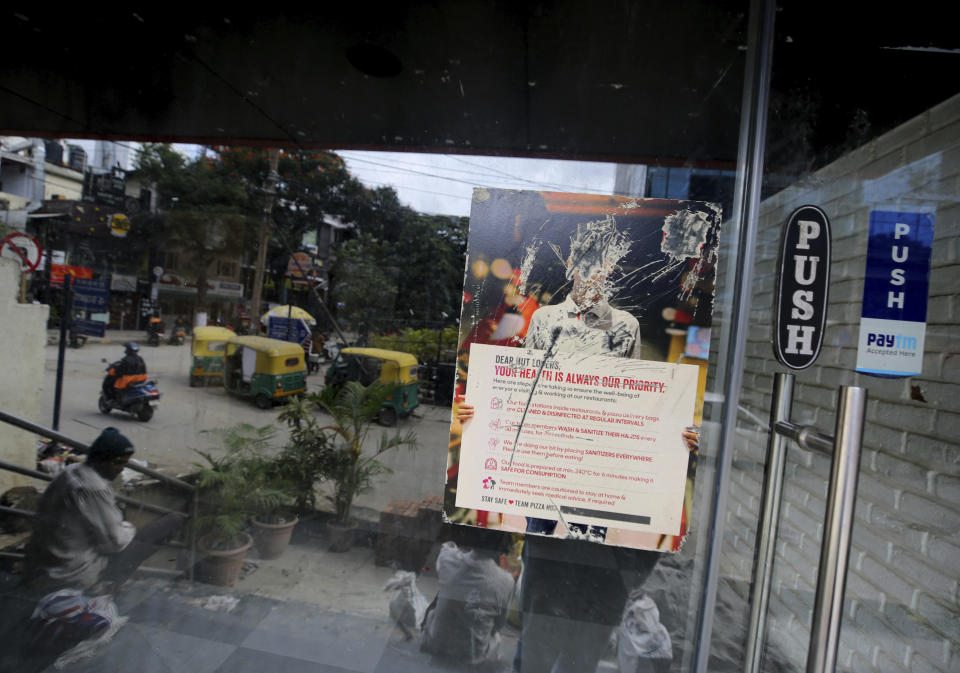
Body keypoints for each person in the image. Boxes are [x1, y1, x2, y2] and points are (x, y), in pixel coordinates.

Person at [456, 216, 699, 673]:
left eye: (602, 265)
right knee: (538, 636)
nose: (592, 274)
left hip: (604, 510)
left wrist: (672, 437)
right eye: (585, 263)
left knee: (585, 648)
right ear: (570, 262)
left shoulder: (624, 326)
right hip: (551, 500)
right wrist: (481, 416)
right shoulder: (545, 319)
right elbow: (521, 397)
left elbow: (633, 402)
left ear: (612, 270)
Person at [24, 428, 182, 594]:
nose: (121, 469)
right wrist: (128, 527)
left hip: (48, 562)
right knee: (172, 522)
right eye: (117, 463)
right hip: (71, 573)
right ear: (101, 459)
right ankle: (104, 588)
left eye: (124, 463)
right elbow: (115, 543)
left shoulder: (71, 472)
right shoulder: (93, 488)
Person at [419, 525, 517, 671]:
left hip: (435, 645)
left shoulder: (448, 559)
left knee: (444, 591)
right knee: (495, 635)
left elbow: (448, 547)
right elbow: (498, 625)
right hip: (472, 656)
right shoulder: (506, 581)